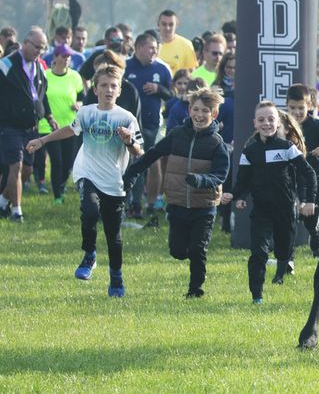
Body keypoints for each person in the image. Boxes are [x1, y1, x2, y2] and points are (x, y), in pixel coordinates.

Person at [25, 65, 142, 297]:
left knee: (113, 235)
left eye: (113, 86)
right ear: (95, 89)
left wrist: (129, 141)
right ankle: (89, 255)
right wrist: (43, 140)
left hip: (114, 181)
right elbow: (71, 129)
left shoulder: (126, 118)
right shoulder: (86, 112)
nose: (109, 90)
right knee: (89, 212)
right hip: (87, 174)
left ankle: (116, 278)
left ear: (119, 90)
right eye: (104, 85)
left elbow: (139, 151)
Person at [123, 87, 229, 298]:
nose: (200, 115)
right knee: (178, 251)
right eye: (196, 109)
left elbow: (220, 174)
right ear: (189, 110)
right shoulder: (177, 135)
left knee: (198, 250)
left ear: (214, 114)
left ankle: (195, 290)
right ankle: (187, 252)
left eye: (205, 111)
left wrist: (201, 180)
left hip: (204, 206)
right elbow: (153, 154)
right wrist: (131, 174)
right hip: (177, 202)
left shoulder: (217, 144)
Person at [230, 101, 317, 304]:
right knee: (259, 252)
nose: (266, 123)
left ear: (278, 123)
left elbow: (308, 173)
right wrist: (238, 197)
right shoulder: (249, 151)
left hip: (285, 210)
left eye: (271, 119)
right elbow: (243, 180)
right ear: (255, 123)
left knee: (284, 250)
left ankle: (281, 269)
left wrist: (309, 201)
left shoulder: (287, 148)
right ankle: (257, 296)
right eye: (262, 120)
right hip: (261, 212)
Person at [0, 28, 55, 222]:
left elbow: (42, 95)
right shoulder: (6, 65)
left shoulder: (40, 67)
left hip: (31, 127)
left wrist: (49, 116)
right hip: (10, 126)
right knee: (15, 166)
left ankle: (2, 201)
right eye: (36, 47)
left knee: (27, 171)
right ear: (25, 42)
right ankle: (16, 212)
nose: (39, 51)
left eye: (42, 48)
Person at [124, 33, 173, 220]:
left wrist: (159, 89)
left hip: (153, 125)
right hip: (130, 125)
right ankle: (132, 203)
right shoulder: (126, 67)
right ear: (138, 48)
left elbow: (172, 93)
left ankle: (152, 203)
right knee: (132, 164)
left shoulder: (162, 68)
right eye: (151, 47)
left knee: (151, 164)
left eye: (156, 48)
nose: (155, 51)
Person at [285, 84, 319, 257]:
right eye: (293, 108)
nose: (297, 112)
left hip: (317, 178)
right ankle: (287, 258)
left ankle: (316, 232)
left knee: (310, 220)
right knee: (288, 216)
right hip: (292, 178)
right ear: (287, 105)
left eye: (301, 108)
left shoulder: (316, 125)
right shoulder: (282, 125)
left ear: (309, 106)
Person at [34, 45, 85, 202]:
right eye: (63, 56)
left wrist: (79, 104)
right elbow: (39, 98)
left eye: (69, 56)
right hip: (48, 126)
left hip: (70, 126)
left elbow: (82, 96)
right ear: (55, 57)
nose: (66, 59)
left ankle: (61, 186)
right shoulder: (45, 75)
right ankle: (57, 196)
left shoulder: (75, 76)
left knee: (69, 162)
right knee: (57, 161)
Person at [154, 10, 199, 75]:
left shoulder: (186, 45)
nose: (167, 28)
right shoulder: (151, 45)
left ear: (177, 25)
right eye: (164, 24)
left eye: (171, 24)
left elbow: (192, 73)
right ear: (158, 24)